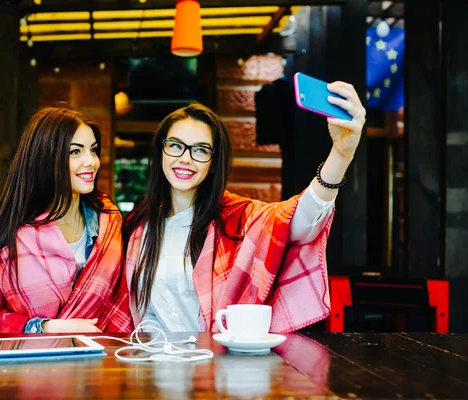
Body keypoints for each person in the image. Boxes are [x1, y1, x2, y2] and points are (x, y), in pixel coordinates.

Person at [123, 81, 366, 333]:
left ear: (214, 162)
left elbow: (300, 222)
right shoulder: (138, 228)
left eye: (201, 150)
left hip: (217, 366)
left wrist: (340, 154)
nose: (185, 158)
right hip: (151, 366)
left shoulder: (239, 217)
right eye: (175, 145)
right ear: (161, 151)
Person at [0, 105, 132, 334]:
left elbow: (127, 299)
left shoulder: (109, 223)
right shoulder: (14, 238)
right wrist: (47, 327)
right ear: (47, 159)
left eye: (93, 150)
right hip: (32, 366)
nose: (91, 161)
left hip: (104, 360)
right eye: (75, 152)